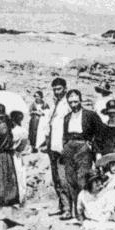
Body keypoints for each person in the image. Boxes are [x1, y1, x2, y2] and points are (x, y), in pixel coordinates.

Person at [61, 89, 106, 219]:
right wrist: (65, 147)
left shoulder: (90, 115)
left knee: (83, 178)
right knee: (70, 179)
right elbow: (64, 135)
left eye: (76, 101)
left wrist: (96, 150)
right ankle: (75, 213)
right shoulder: (67, 117)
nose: (73, 104)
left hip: (83, 146)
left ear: (80, 100)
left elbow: (100, 133)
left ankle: (85, 213)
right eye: (70, 102)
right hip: (70, 146)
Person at [38, 77, 73, 218]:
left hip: (62, 146)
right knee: (56, 178)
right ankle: (62, 205)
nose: (57, 92)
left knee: (63, 178)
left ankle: (68, 209)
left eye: (59, 89)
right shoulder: (54, 104)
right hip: (52, 146)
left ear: (65, 88)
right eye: (54, 89)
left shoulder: (68, 104)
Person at [9, 110, 30, 202]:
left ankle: (17, 198)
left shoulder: (12, 131)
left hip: (13, 154)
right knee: (21, 176)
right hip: (19, 154)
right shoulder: (23, 130)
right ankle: (22, 197)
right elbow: (24, 145)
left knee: (16, 175)